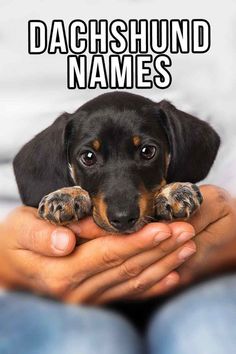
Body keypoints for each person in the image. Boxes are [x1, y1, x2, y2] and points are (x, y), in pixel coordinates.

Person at [0, 184, 236, 354]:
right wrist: (6, 263)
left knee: (209, 334)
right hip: (29, 291)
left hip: (212, 276)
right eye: (89, 158)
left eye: (146, 153)